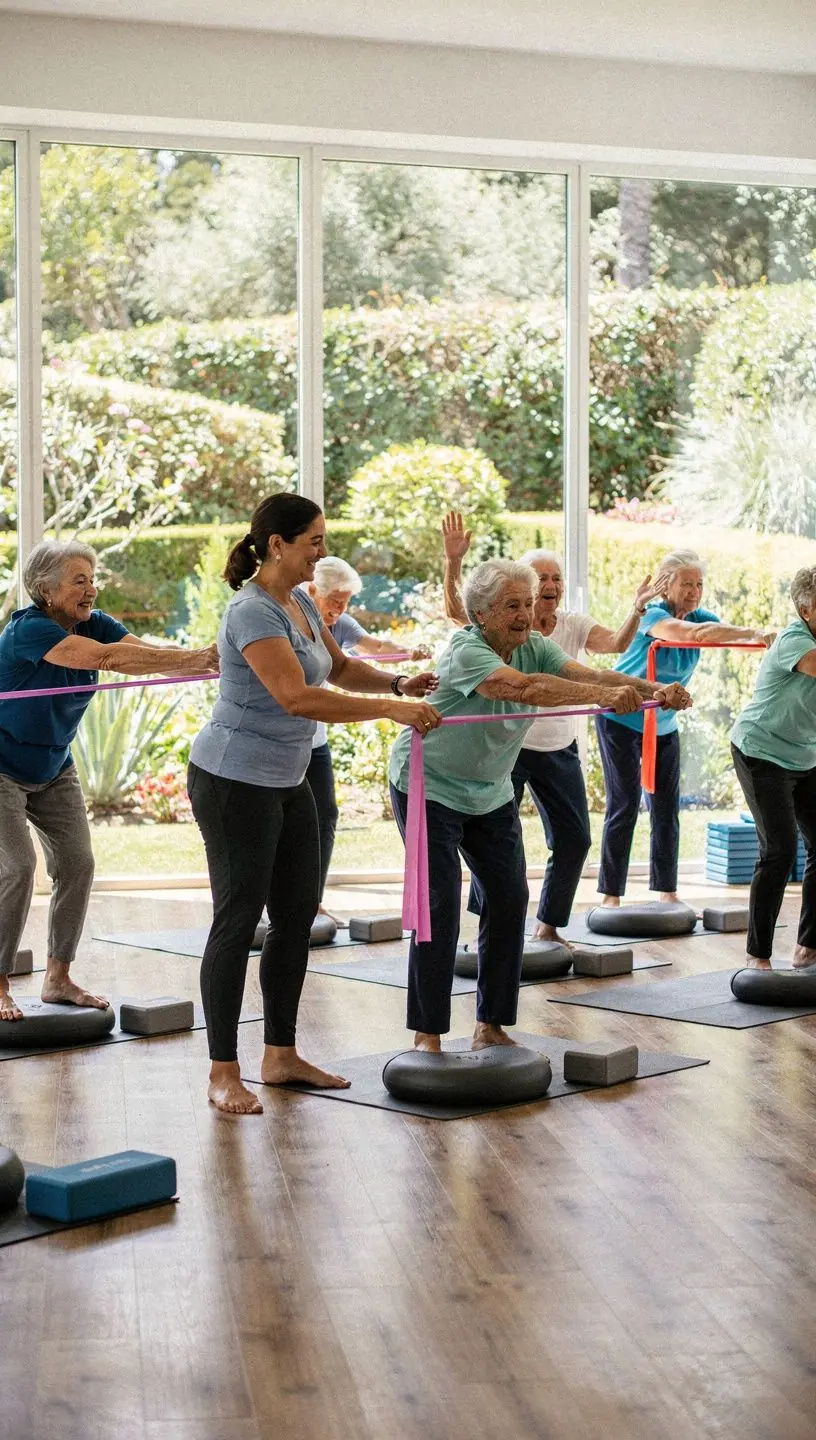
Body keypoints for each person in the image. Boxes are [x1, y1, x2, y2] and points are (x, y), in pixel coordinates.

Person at [187, 493, 441, 1116]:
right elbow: (297, 698)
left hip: (287, 778)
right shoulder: (251, 612)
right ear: (277, 543)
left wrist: (397, 684)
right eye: (314, 542)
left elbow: (340, 668)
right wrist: (391, 710)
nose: (322, 552)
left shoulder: (300, 601)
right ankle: (223, 1070)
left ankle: (280, 1054)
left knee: (296, 916)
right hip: (232, 780)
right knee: (238, 919)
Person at [389, 558, 690, 1053]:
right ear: (482, 614)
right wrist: (604, 696)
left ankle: (491, 1023)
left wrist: (652, 689)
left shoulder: (536, 646)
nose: (525, 614)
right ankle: (428, 1033)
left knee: (509, 900)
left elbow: (587, 670)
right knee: (439, 906)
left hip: (488, 790)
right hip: (429, 786)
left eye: (528, 604)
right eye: (512, 606)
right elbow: (527, 689)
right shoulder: (467, 649)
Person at [0, 540, 218, 1023]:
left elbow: (140, 653)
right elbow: (106, 660)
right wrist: (201, 657)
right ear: (45, 589)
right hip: (1, 767)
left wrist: (203, 659)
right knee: (17, 868)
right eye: (79, 580)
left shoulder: (94, 623)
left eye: (93, 579)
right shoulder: (29, 631)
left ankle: (58, 979)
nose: (91, 590)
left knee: (78, 864)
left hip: (53, 766)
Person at [442, 510, 667, 942]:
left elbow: (612, 654)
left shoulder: (568, 627)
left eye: (556, 578)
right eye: (539, 579)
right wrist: (453, 563)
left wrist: (640, 623)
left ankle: (548, 927)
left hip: (559, 748)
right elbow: (467, 620)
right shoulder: (492, 631)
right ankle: (488, 929)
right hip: (511, 748)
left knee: (576, 838)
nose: (549, 586)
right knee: (497, 847)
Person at [595, 547, 774, 907]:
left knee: (665, 808)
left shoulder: (702, 616)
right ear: (666, 587)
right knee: (624, 805)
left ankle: (667, 891)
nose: (694, 591)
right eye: (686, 584)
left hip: (662, 725)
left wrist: (768, 637)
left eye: (699, 584)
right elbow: (691, 634)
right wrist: (752, 630)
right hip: (621, 719)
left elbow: (719, 633)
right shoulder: (652, 615)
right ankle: (611, 895)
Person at [303, 555, 430, 915]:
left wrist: (403, 671)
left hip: (313, 741)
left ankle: (312, 903)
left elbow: (358, 657)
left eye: (345, 604)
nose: (340, 611)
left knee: (325, 816)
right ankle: (277, 906)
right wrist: (392, 703)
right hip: (275, 744)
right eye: (335, 602)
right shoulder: (286, 617)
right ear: (313, 592)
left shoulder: (337, 623)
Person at [731, 566, 816, 970]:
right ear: (806, 609)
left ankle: (808, 946)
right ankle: (757, 955)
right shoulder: (794, 641)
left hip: (806, 755)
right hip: (761, 752)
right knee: (779, 851)